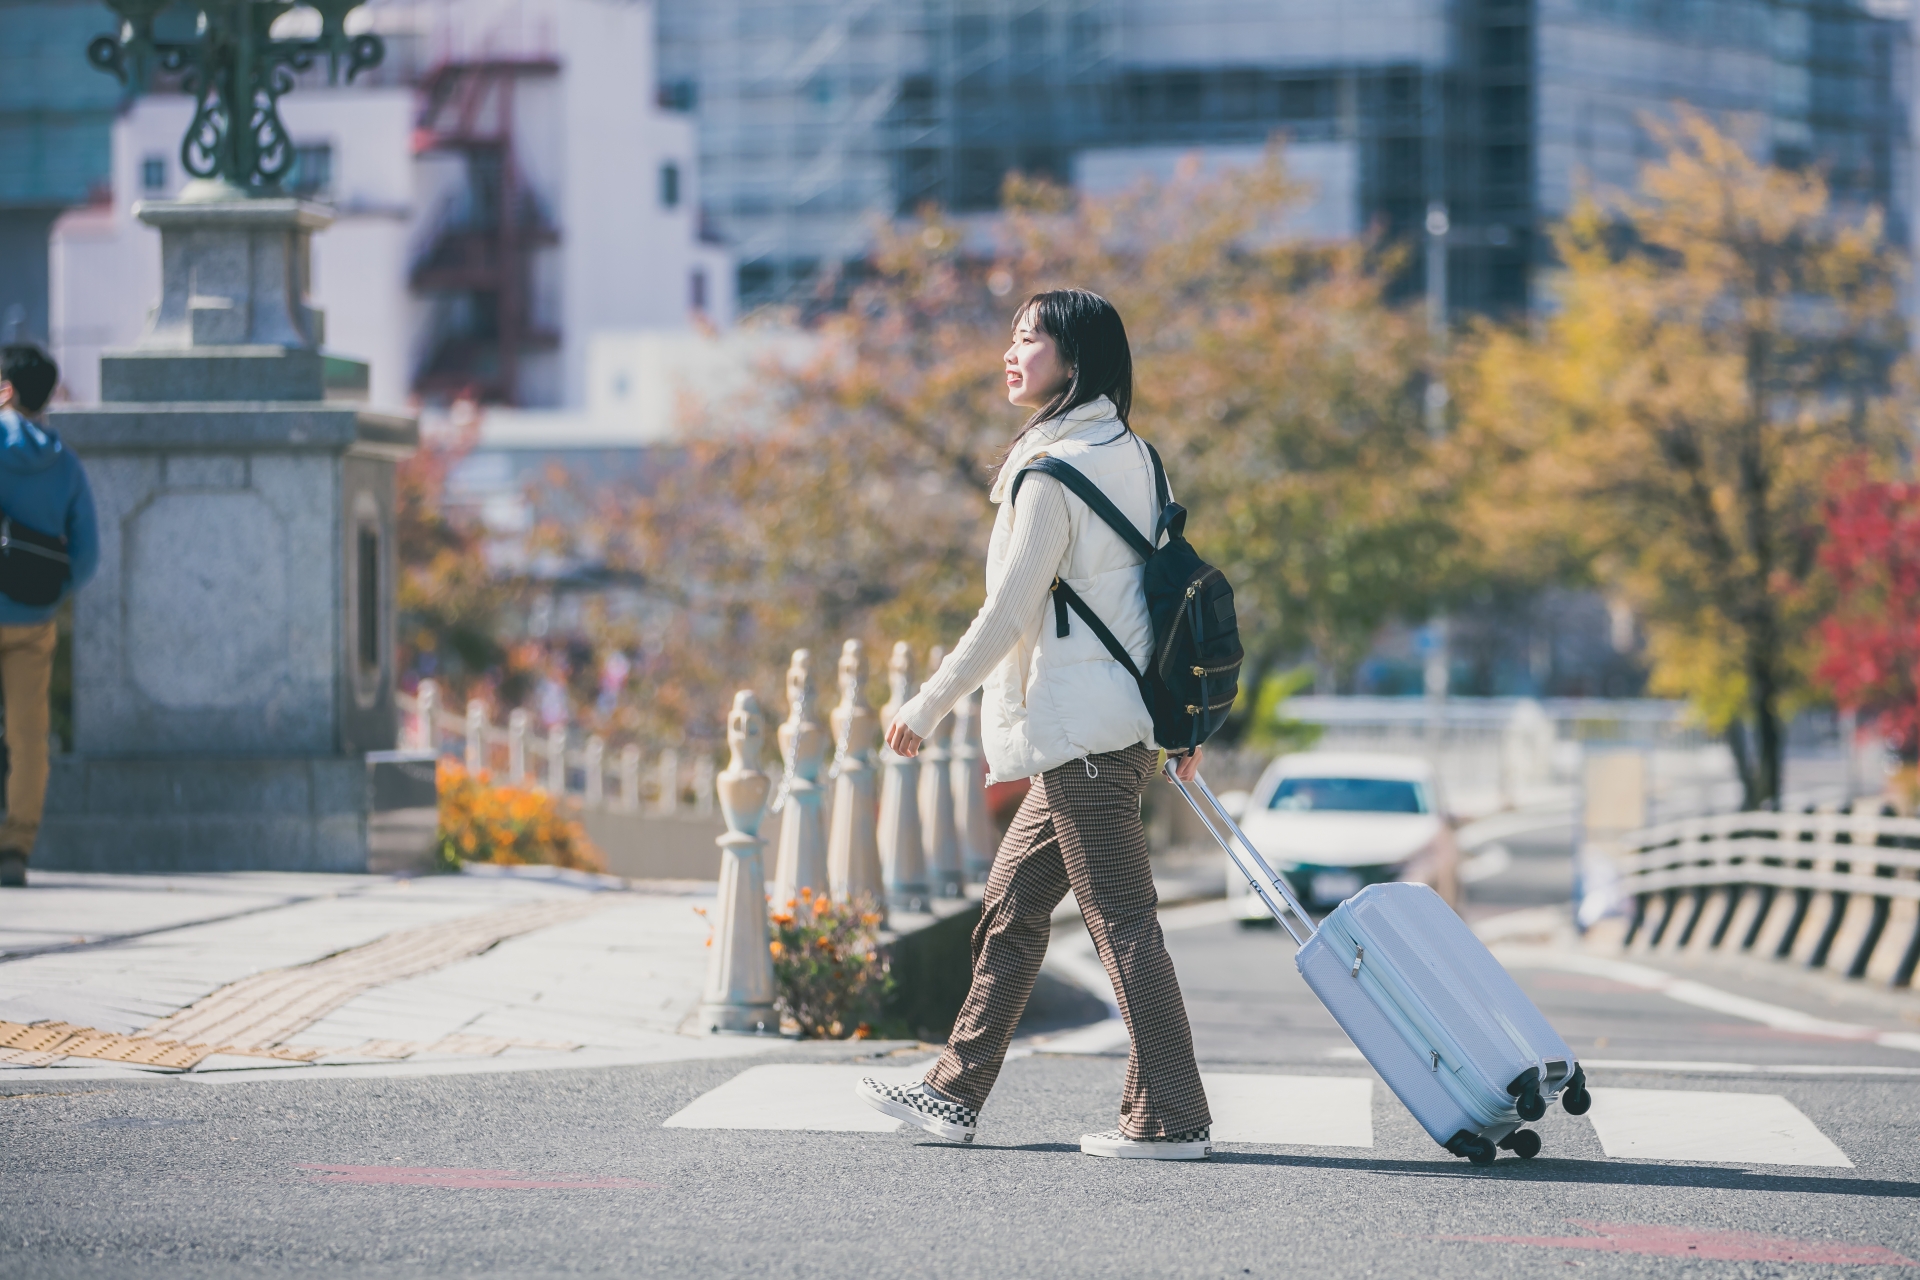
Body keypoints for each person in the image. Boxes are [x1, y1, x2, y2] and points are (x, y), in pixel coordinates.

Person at [856, 289, 1213, 1160]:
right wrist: (1182, 721)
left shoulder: (1052, 472)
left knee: (1122, 922)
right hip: (1109, 730)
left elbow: (1010, 609)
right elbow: (1156, 607)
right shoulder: (1138, 456)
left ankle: (1174, 1117)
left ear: (1074, 362)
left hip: (1084, 739)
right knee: (1013, 910)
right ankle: (955, 1093)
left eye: (1028, 340)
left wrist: (928, 700)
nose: (1010, 354)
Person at [0, 345, 98, 887]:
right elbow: (88, 555)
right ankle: (15, 845)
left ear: (6, 389)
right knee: (28, 732)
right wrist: (54, 591)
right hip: (32, 616)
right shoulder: (65, 463)